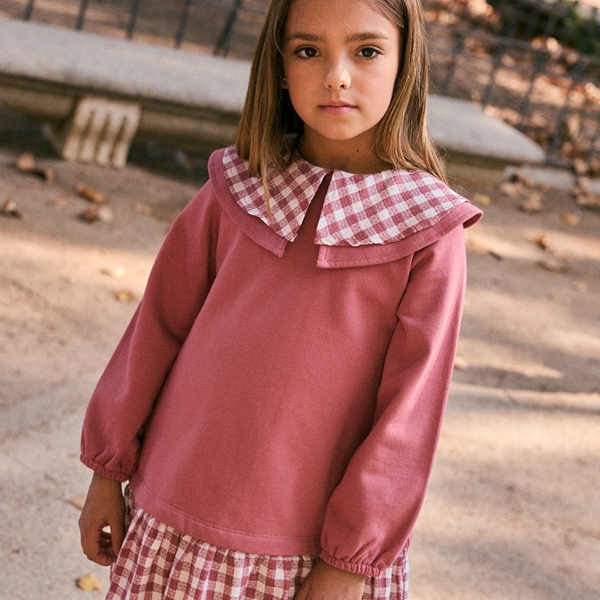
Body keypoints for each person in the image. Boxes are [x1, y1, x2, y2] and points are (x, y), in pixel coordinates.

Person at [78, 0, 482, 598]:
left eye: (366, 51)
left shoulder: (427, 233)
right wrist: (107, 474)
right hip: (172, 514)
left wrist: (350, 561)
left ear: (405, 64)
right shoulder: (234, 191)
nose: (336, 75)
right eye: (307, 50)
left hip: (304, 553)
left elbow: (409, 416)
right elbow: (155, 331)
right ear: (280, 64)